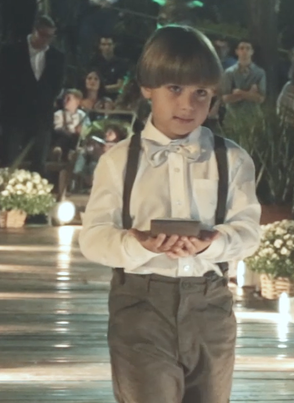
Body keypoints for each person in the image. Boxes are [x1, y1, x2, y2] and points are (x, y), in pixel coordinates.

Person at [79, 24, 262, 403]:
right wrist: (137, 243)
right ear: (148, 87)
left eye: (201, 93)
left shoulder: (232, 159)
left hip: (210, 307)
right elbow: (93, 238)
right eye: (174, 89)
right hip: (140, 308)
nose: (187, 105)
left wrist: (213, 243)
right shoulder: (119, 161)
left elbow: (248, 231)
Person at [0, 16, 66, 173]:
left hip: (42, 116)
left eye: (51, 36)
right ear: (34, 31)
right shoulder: (11, 51)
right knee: (10, 160)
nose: (47, 40)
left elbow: (57, 85)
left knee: (39, 162)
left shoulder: (57, 56)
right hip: (15, 114)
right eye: (43, 35)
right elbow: (4, 82)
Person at [220, 39, 267, 113]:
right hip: (233, 116)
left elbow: (261, 98)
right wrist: (250, 94)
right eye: (241, 48)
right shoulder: (229, 72)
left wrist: (239, 92)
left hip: (253, 116)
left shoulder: (260, 73)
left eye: (248, 48)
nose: (244, 51)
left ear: (252, 52)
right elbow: (225, 98)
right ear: (237, 51)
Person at [53, 88, 88, 161]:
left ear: (77, 102)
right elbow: (57, 129)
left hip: (77, 141)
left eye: (68, 99)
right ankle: (58, 151)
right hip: (64, 140)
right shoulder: (58, 114)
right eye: (64, 98)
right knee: (65, 135)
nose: (65, 101)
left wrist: (82, 130)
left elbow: (88, 129)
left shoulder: (83, 115)